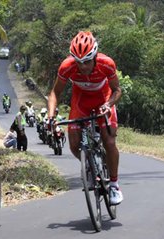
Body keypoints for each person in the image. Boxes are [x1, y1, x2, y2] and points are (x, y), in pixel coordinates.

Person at [47, 31, 123, 205]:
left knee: (109, 142)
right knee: (74, 144)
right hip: (81, 102)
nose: (83, 67)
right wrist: (51, 116)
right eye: (79, 62)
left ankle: (114, 185)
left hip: (104, 99)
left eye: (87, 61)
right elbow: (55, 92)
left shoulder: (107, 63)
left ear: (95, 56)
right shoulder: (67, 66)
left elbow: (117, 91)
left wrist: (108, 105)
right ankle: (89, 165)